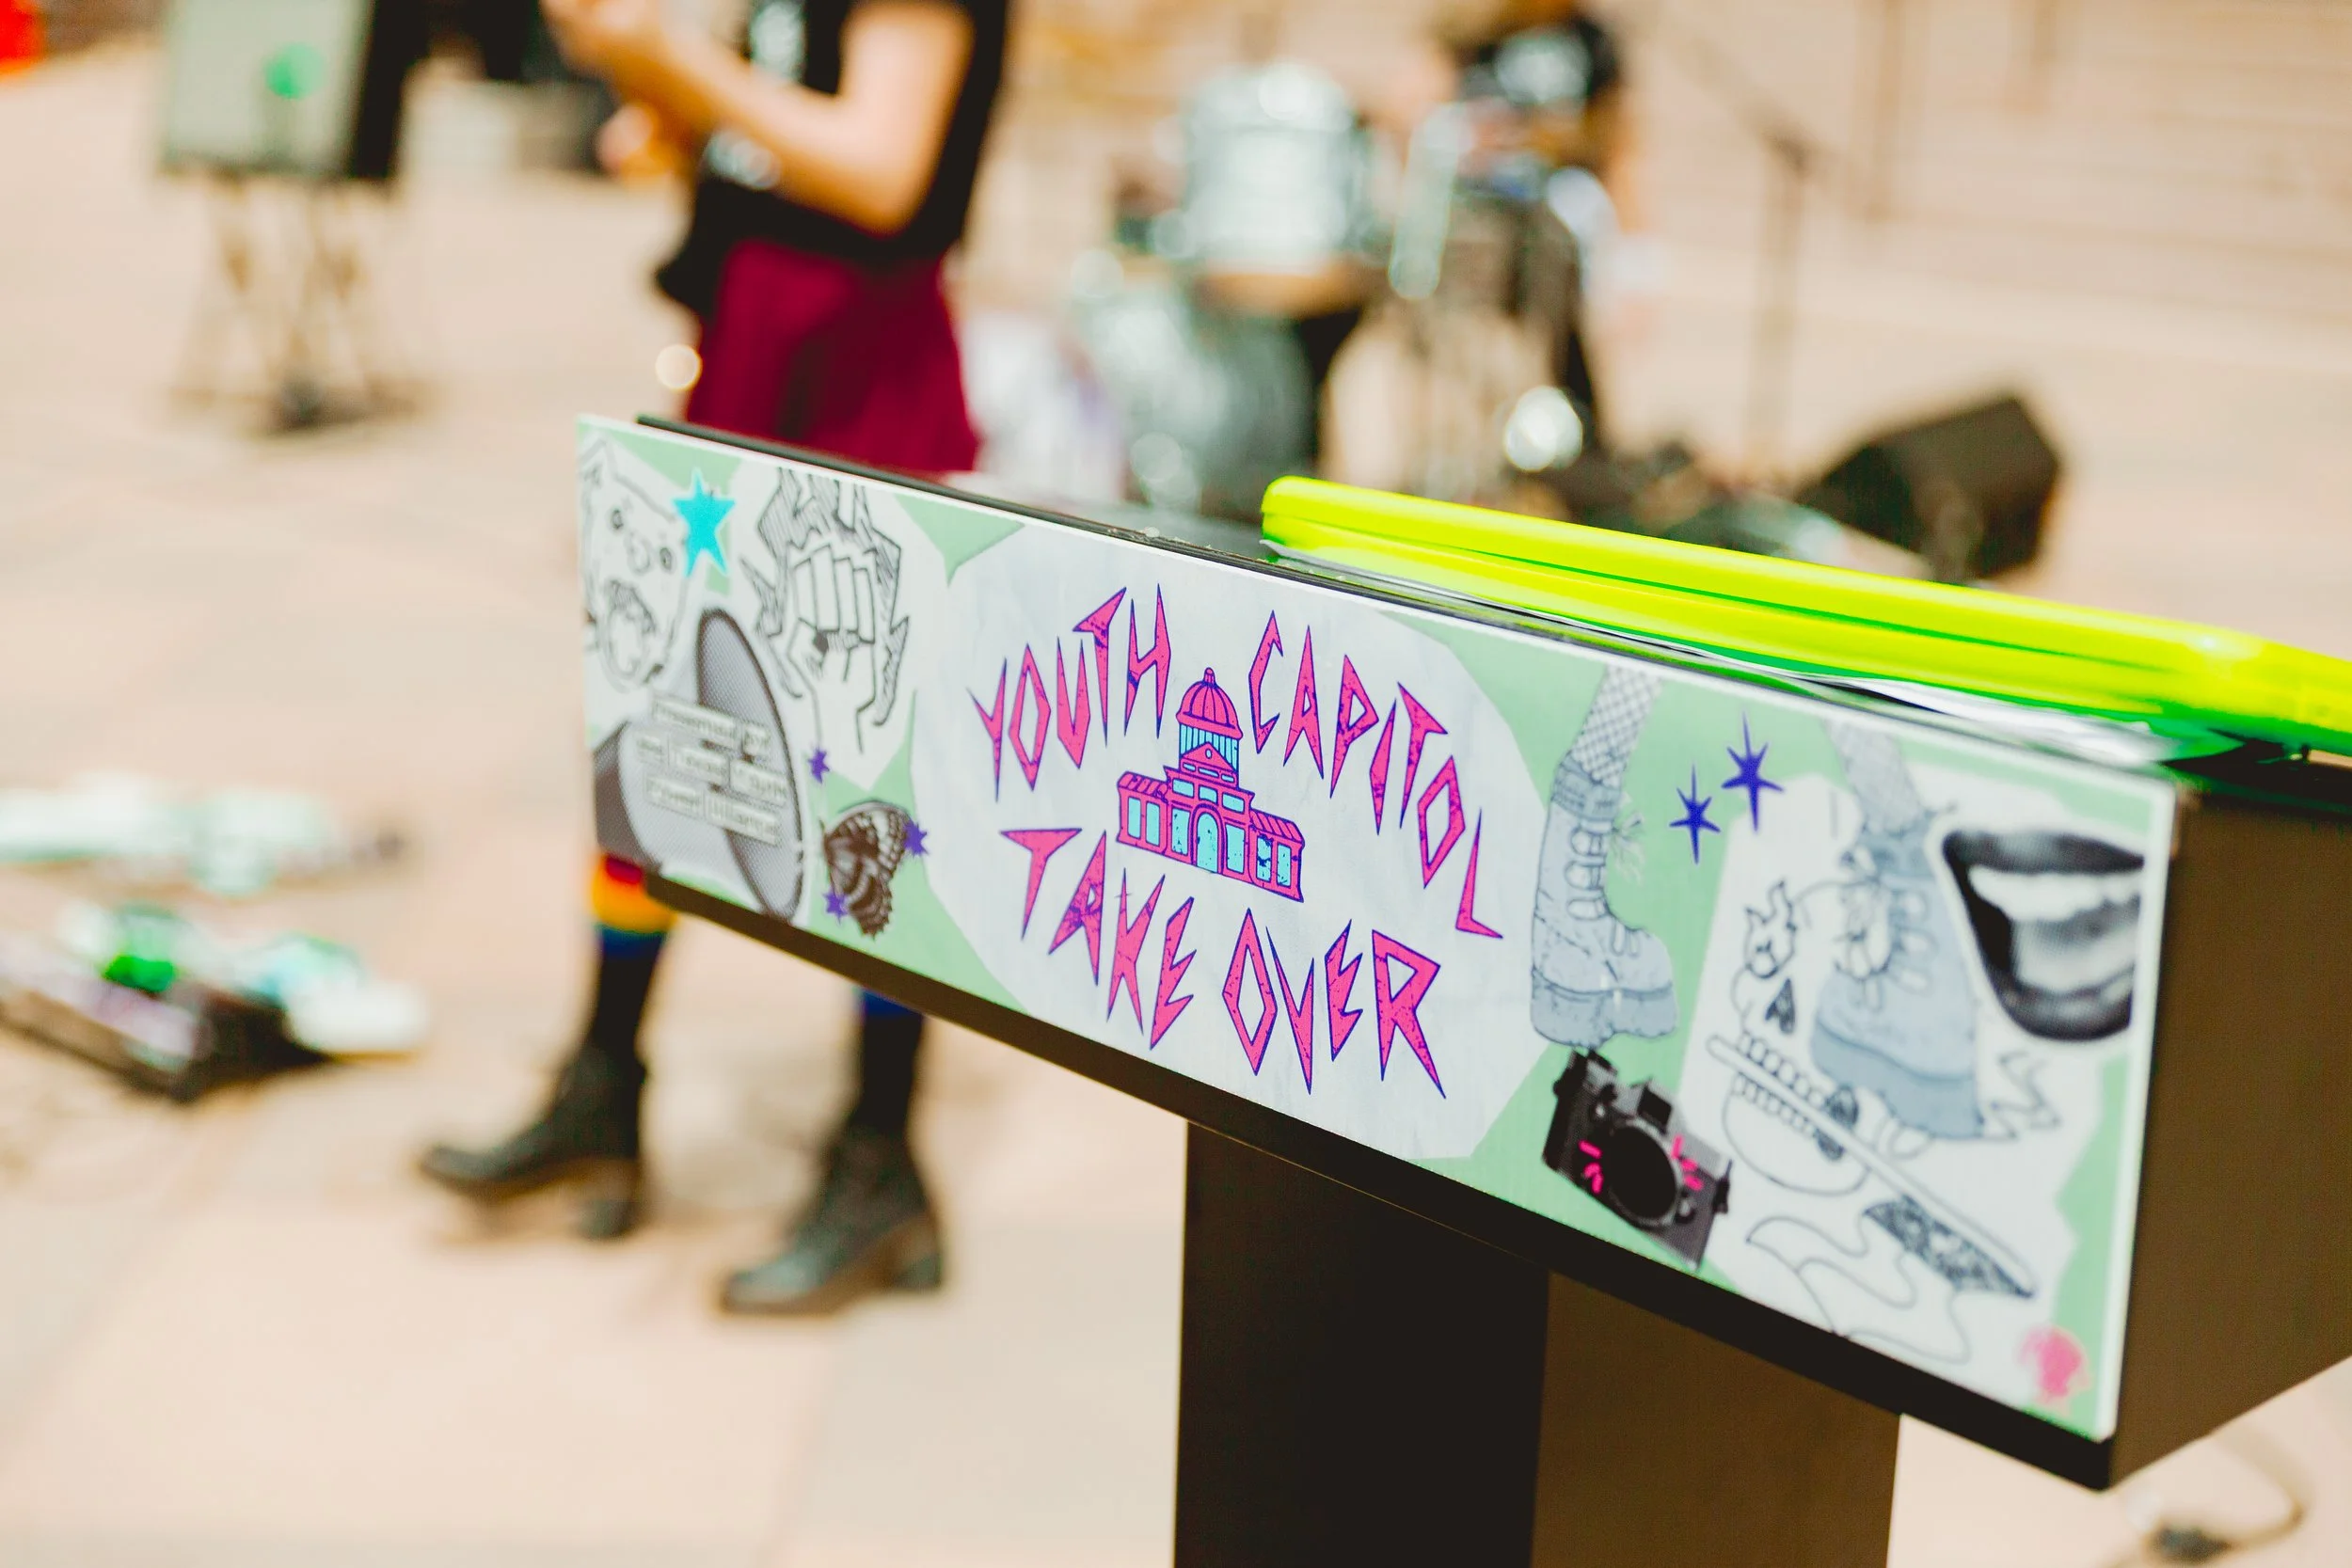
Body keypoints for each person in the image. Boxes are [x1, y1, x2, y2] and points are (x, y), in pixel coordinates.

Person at [419, 0, 1008, 1316]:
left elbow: (881, 166)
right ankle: (603, 1082)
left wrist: (678, 61)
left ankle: (881, 1161)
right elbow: (757, 150)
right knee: (656, 730)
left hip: (860, 373)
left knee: (874, 792)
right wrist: (667, 104)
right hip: (752, 353)